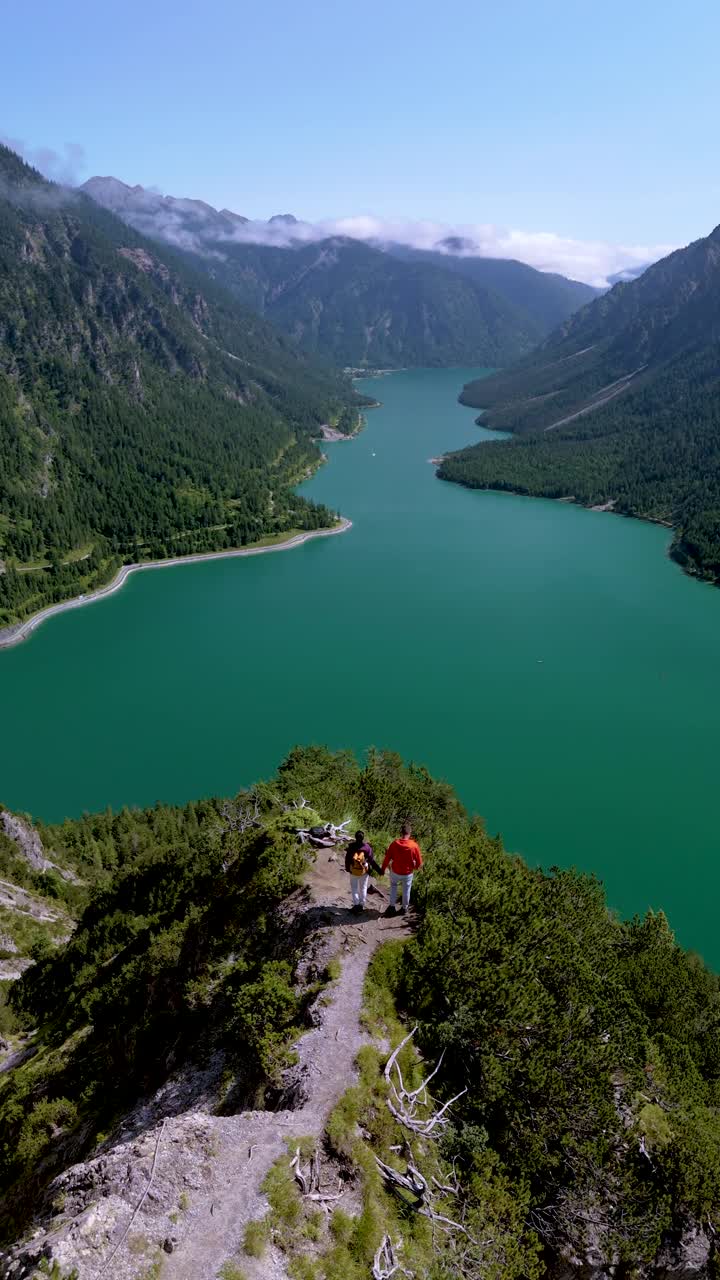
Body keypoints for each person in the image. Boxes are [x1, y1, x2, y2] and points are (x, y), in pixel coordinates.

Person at [381, 822, 423, 915]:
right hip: (408, 873)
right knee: (406, 890)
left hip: (395, 871)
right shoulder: (414, 846)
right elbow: (420, 863)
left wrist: (383, 869)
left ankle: (392, 907)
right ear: (410, 833)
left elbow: (387, 858)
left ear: (401, 832)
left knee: (393, 887)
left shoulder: (395, 843)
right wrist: (415, 867)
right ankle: (404, 908)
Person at [345, 830, 381, 914]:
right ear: (363, 838)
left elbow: (347, 859)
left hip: (353, 870)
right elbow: (371, 860)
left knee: (354, 888)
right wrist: (379, 870)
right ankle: (361, 905)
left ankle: (356, 905)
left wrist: (348, 869)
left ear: (355, 837)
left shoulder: (351, 847)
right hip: (364, 872)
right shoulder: (367, 848)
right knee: (363, 888)